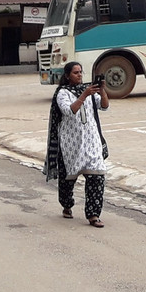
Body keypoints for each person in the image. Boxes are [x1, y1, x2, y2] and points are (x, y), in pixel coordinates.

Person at [42, 61, 110, 227]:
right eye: (75, 73)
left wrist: (101, 89)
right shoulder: (62, 93)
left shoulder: (89, 91)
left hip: (91, 141)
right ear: (67, 76)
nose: (79, 75)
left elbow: (104, 106)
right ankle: (67, 204)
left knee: (97, 176)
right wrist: (84, 95)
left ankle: (93, 214)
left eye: (81, 72)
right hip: (70, 145)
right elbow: (70, 111)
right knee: (67, 180)